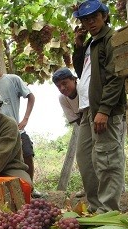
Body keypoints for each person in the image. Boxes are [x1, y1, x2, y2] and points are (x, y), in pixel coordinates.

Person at [71, 0, 126, 213]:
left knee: (107, 159)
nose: (90, 22)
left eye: (94, 17)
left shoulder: (111, 39)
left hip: (104, 110)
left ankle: (109, 210)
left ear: (104, 16)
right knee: (86, 160)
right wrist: (78, 46)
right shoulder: (91, 43)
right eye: (85, 19)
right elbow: (81, 73)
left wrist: (104, 110)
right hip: (87, 110)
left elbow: (115, 76)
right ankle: (96, 207)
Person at [0, 55, 42, 198]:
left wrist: (25, 118)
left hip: (16, 129)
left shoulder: (13, 80)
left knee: (27, 154)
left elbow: (30, 96)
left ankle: (30, 189)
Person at [51, 67, 85, 198]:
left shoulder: (83, 89)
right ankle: (88, 188)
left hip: (100, 121)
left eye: (65, 83)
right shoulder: (63, 99)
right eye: (58, 86)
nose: (62, 88)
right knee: (83, 156)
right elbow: (77, 120)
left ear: (74, 80)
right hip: (84, 124)